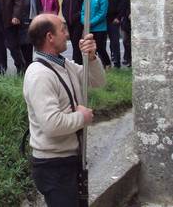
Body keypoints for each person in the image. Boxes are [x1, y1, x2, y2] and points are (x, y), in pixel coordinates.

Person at [23, 13, 106, 206]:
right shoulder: (39, 75)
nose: (67, 34)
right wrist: (82, 117)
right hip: (53, 165)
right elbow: (51, 125)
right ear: (50, 37)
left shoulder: (63, 65)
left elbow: (97, 81)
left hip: (68, 159)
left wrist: (91, 58)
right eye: (62, 30)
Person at [82, 0, 111, 68]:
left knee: (100, 47)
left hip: (100, 28)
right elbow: (83, 11)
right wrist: (84, 21)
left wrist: (91, 22)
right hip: (89, 27)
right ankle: (95, 65)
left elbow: (102, 13)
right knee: (90, 47)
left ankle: (107, 64)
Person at [18, 0, 40, 68]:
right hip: (18, 23)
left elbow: (39, 7)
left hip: (30, 22)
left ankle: (28, 68)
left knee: (28, 46)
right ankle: (21, 68)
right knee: (19, 46)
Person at [106, 0, 126, 68]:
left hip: (114, 19)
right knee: (101, 43)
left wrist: (118, 17)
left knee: (115, 42)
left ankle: (117, 63)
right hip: (102, 19)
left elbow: (123, 3)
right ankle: (105, 63)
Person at [62, 0, 85, 65]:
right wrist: (65, 16)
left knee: (76, 42)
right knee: (73, 43)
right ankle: (79, 62)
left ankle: (76, 62)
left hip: (78, 22)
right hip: (69, 22)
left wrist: (78, 15)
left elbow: (83, 7)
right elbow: (63, 5)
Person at [121, 0, 131, 67]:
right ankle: (127, 58)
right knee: (125, 41)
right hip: (126, 22)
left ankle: (129, 59)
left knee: (131, 42)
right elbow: (124, 6)